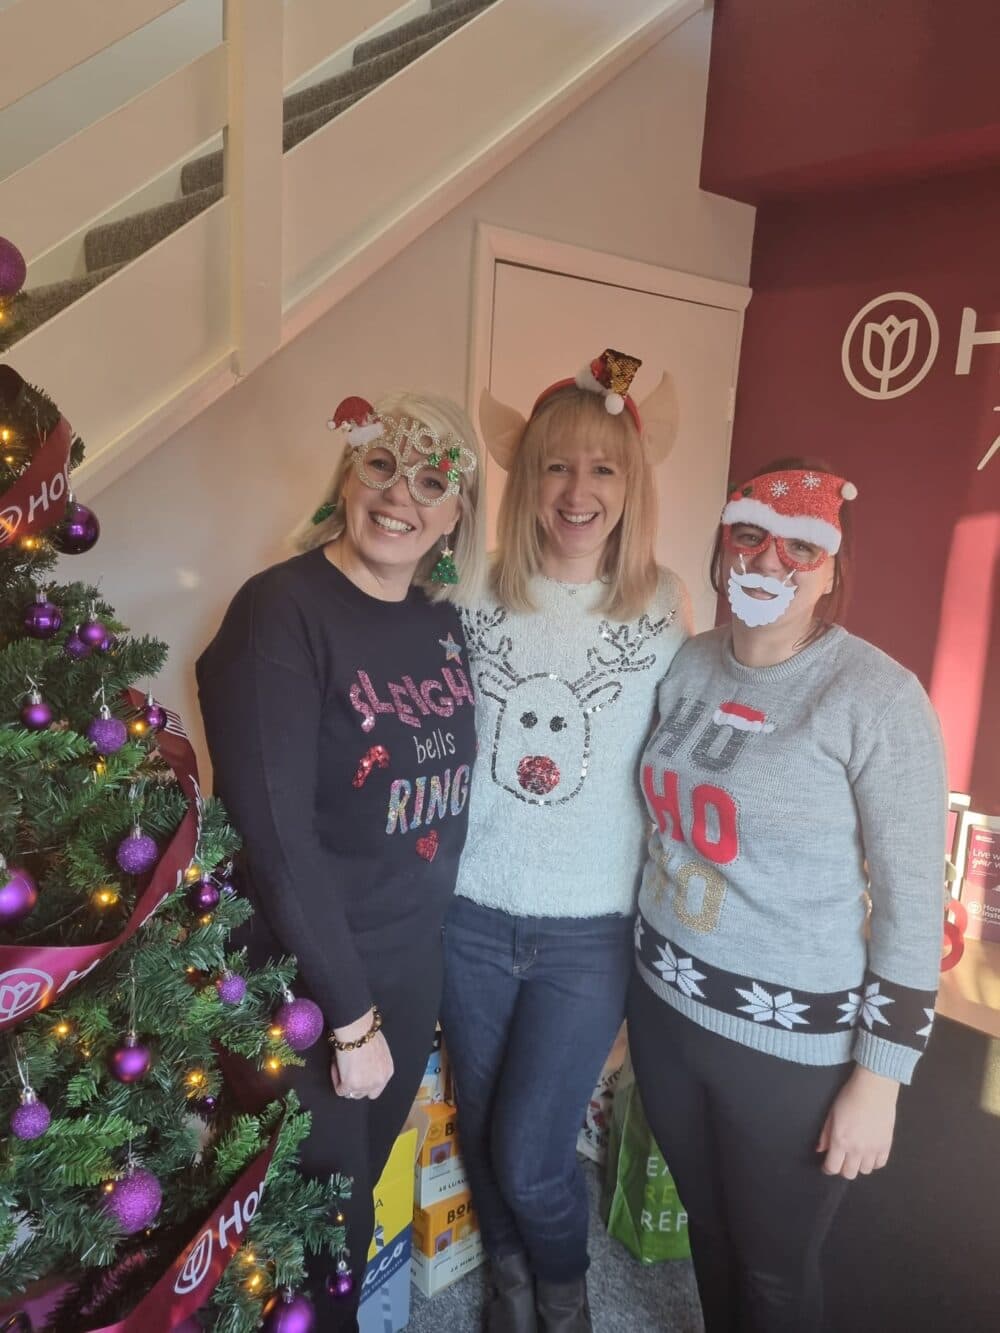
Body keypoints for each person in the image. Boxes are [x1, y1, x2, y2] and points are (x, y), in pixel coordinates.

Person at [629, 459, 947, 1333]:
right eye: (750, 537)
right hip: (663, 1012)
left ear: (833, 568)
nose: (771, 563)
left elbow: (916, 900)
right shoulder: (689, 666)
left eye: (801, 547)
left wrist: (881, 1077)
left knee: (775, 1272)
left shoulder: (877, 698)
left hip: (789, 1047)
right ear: (723, 546)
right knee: (707, 1227)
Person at [196, 390, 485, 1330]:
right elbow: (276, 831)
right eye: (382, 466)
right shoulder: (279, 611)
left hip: (408, 964)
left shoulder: (440, 623)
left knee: (349, 1216)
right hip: (306, 977)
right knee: (316, 1226)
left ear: (453, 519)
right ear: (347, 477)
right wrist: (352, 1020)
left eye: (433, 481)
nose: (402, 495)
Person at [441, 350, 691, 1333]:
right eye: (555, 466)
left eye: (601, 469)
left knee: (532, 1153)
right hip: (469, 916)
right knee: (482, 1132)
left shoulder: (666, 606)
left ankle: (565, 1297)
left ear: (631, 485)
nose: (577, 491)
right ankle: (511, 1296)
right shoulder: (469, 590)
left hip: (587, 933)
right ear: (527, 480)